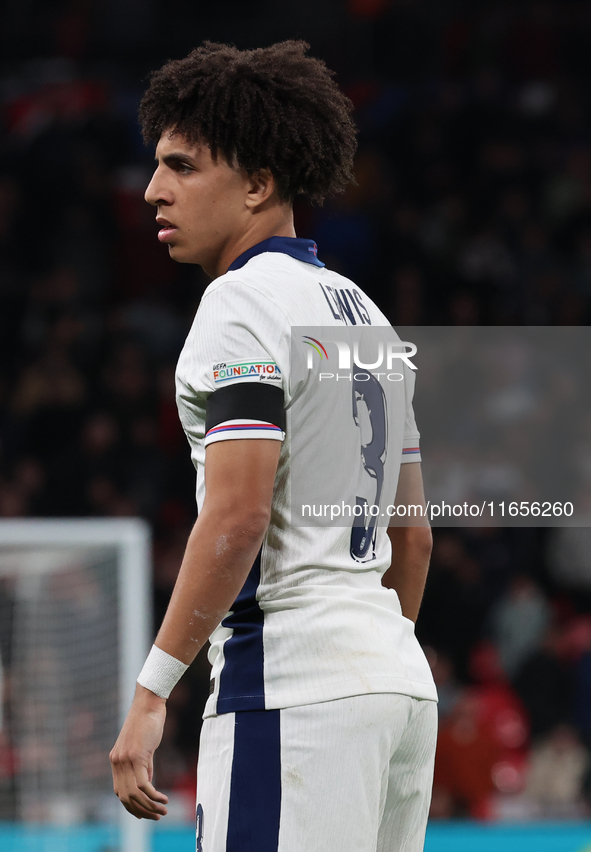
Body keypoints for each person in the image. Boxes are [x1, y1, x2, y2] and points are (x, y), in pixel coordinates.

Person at [109, 40, 437, 852]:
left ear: (257, 185)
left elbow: (237, 514)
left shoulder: (240, 306)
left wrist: (152, 695)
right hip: (398, 686)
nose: (154, 191)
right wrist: (371, 669)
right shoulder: (367, 316)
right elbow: (413, 535)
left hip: (291, 691)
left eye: (182, 167)